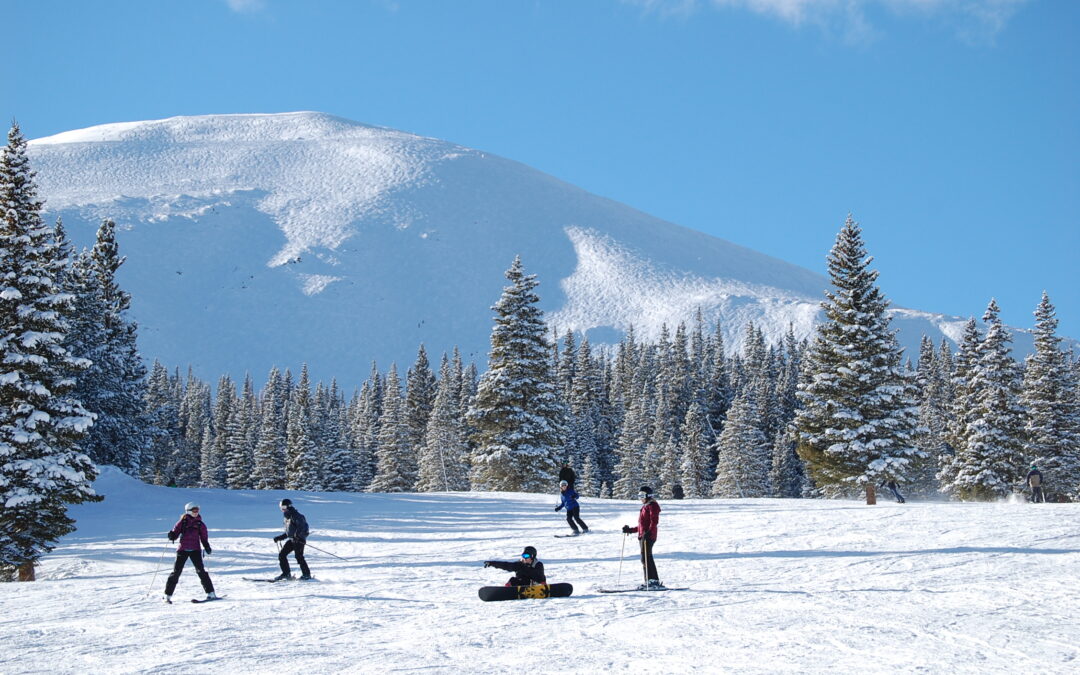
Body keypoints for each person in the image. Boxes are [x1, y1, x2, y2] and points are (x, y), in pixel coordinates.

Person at [164, 502, 217, 603]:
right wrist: (172, 535)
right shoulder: (182, 522)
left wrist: (207, 546)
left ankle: (211, 593)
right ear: (188, 511)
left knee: (201, 571)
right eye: (194, 510)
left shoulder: (200, 524)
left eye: (197, 510)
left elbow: (204, 537)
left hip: (195, 550)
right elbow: (175, 534)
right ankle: (167, 596)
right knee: (176, 572)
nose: (196, 512)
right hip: (182, 550)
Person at [622, 485, 662, 590]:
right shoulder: (645, 506)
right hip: (644, 536)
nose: (640, 498)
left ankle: (651, 581)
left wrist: (649, 531)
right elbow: (642, 525)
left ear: (648, 495)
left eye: (642, 495)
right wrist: (630, 530)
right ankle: (653, 580)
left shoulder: (652, 505)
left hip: (649, 536)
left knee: (645, 558)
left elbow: (654, 521)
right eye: (639, 495)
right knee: (646, 557)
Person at [272, 498, 311, 581]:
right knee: (282, 555)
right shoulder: (287, 517)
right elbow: (289, 532)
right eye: (281, 507)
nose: (282, 509)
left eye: (283, 507)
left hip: (299, 540)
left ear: (289, 506)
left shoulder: (296, 515)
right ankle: (286, 573)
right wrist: (280, 537)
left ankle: (306, 575)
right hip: (292, 540)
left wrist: (298, 536)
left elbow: (303, 527)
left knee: (299, 557)